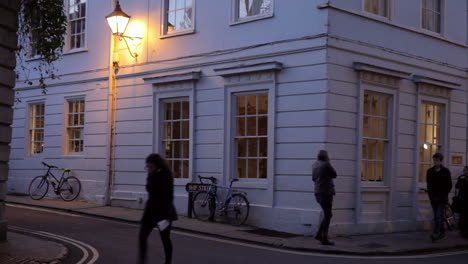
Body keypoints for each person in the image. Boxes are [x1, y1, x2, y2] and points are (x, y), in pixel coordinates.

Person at [138, 153, 178, 264]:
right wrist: (151, 175)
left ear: (157, 165)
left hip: (163, 212)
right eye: (148, 166)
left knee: (165, 239)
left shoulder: (166, 176)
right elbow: (149, 189)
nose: (149, 168)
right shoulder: (151, 174)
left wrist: (167, 216)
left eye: (151, 166)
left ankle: (168, 262)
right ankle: (142, 260)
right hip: (150, 212)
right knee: (142, 236)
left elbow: (168, 197)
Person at [312, 150, 337, 245]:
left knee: (327, 214)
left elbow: (313, 178)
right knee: (328, 214)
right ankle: (324, 238)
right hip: (326, 192)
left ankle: (319, 235)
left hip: (317, 192)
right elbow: (335, 174)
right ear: (326, 156)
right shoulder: (326, 164)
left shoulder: (314, 165)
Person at [426, 152, 452, 242]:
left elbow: (449, 185)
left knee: (438, 216)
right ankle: (442, 233)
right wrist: (431, 196)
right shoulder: (430, 171)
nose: (435, 162)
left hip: (442, 198)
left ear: (441, 161)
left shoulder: (446, 171)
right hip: (433, 198)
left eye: (437, 160)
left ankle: (436, 233)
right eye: (434, 160)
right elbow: (429, 185)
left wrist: (443, 195)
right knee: (438, 216)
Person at [455, 166, 468, 238]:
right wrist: (461, 180)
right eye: (464, 170)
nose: (465, 172)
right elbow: (457, 186)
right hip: (462, 199)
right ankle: (462, 230)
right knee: (462, 215)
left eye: (466, 171)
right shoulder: (461, 177)